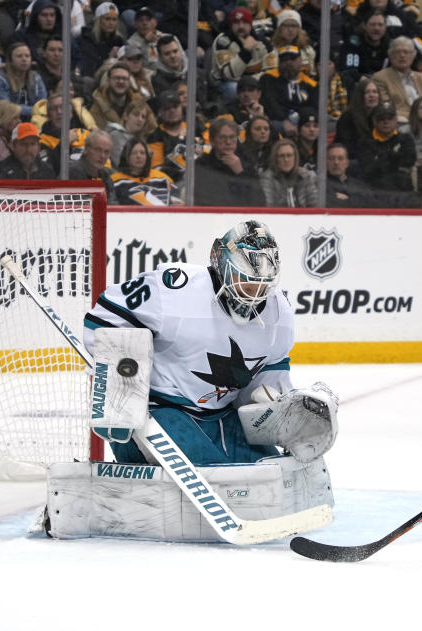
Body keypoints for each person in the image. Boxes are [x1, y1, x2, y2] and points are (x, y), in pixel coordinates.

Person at [82, 220, 294, 465]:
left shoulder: (280, 314)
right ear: (223, 266)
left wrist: (278, 410)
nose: (254, 294)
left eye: (261, 286)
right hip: (159, 412)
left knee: (272, 472)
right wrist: (119, 400)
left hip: (222, 417)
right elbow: (103, 320)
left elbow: (266, 375)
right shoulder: (175, 289)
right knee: (214, 476)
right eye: (246, 282)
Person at [194, 117, 265, 206]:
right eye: (222, 137)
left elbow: (259, 201)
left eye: (232, 137)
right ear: (212, 141)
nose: (228, 142)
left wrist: (240, 173)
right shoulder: (202, 164)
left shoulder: (247, 162)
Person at [372, 36, 422, 125]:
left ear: (413, 56)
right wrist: (418, 119)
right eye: (397, 52)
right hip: (399, 126)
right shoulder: (380, 78)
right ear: (390, 55)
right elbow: (386, 109)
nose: (402, 55)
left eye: (406, 52)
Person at [208, 7, 268, 103]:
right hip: (225, 83)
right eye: (236, 23)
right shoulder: (223, 41)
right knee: (234, 89)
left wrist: (254, 82)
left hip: (253, 82)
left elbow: (269, 70)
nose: (241, 26)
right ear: (231, 25)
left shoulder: (260, 40)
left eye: (244, 22)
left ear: (250, 25)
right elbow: (229, 75)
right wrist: (246, 50)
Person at [259, 45, 319, 138]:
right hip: (278, 121)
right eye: (284, 60)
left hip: (305, 124)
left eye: (292, 59)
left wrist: (302, 125)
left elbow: (314, 109)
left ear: (300, 60)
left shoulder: (311, 85)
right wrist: (284, 121)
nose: (288, 63)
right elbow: (270, 103)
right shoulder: (268, 78)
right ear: (279, 62)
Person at [110, 138, 181, 206]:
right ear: (126, 157)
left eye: (142, 153)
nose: (138, 156)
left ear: (147, 156)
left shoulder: (163, 178)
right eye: (134, 153)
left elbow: (177, 203)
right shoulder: (114, 181)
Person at [0, 41, 48, 120]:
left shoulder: (35, 77)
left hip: (34, 120)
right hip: (6, 121)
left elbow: (42, 106)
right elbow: (5, 108)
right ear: (10, 60)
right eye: (19, 56)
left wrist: (19, 109)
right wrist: (34, 110)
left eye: (27, 56)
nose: (24, 59)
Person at [333, 77, 385, 163]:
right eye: (367, 92)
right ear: (360, 96)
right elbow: (347, 147)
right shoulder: (347, 118)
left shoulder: (381, 116)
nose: (372, 95)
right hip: (352, 160)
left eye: (375, 92)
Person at [339, 8, 391, 91]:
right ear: (364, 26)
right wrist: (370, 83)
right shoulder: (353, 44)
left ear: (385, 27)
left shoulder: (390, 46)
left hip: (383, 86)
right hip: (359, 88)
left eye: (380, 25)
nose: (376, 28)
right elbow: (349, 72)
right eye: (372, 24)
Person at [261, 138, 319, 207]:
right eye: (281, 156)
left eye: (289, 155)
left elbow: (314, 205)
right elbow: (269, 206)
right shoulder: (268, 177)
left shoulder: (307, 176)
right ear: (275, 158)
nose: (286, 159)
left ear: (295, 157)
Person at [78, 2, 125, 80]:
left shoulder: (119, 41)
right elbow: (90, 68)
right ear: (98, 20)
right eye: (107, 19)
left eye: (114, 19)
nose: (111, 23)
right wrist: (110, 59)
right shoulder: (87, 39)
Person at [69, 129, 116, 202]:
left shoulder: (106, 176)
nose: (102, 156)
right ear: (86, 149)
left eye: (106, 152)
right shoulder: (73, 172)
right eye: (98, 150)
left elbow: (113, 205)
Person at [106, 97, 153, 168]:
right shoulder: (115, 136)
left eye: (143, 117)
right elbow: (120, 164)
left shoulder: (143, 140)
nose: (140, 119)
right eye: (136, 114)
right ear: (126, 116)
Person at [326, 143, 375, 207]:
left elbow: (373, 204)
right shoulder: (320, 185)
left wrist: (348, 199)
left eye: (340, 158)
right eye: (332, 158)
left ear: (347, 163)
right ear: (326, 162)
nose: (336, 162)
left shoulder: (359, 185)